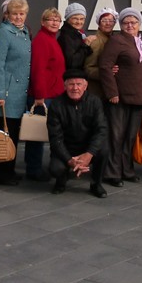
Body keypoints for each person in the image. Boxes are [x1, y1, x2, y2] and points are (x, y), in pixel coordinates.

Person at [99, 8, 142, 183]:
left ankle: (127, 170)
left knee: (130, 136)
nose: (130, 25)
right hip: (120, 98)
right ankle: (112, 173)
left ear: (139, 24)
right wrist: (112, 93)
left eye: (134, 22)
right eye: (126, 22)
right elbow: (105, 66)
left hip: (138, 98)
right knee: (116, 136)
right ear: (121, 25)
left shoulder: (141, 41)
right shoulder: (117, 40)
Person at [0, 0, 32, 186]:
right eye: (15, 13)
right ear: (7, 15)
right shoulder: (4, 33)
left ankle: (9, 171)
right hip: (5, 93)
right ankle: (1, 174)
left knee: (12, 134)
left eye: (21, 14)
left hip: (18, 93)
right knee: (3, 135)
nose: (18, 17)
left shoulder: (23, 32)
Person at [47, 69, 109, 198]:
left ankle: (96, 184)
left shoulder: (95, 102)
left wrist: (89, 154)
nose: (75, 88)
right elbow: (55, 138)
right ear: (64, 86)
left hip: (86, 147)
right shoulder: (56, 104)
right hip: (66, 148)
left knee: (103, 149)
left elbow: (101, 130)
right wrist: (70, 160)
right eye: (71, 84)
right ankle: (61, 181)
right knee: (55, 168)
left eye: (79, 84)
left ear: (85, 86)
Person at [27, 7, 66, 181]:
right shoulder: (42, 41)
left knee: (42, 133)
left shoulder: (52, 39)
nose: (54, 22)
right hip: (43, 97)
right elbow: (38, 70)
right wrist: (39, 96)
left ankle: (36, 167)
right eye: (50, 19)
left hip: (53, 95)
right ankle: (34, 169)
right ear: (43, 22)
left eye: (57, 20)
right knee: (36, 135)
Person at [84, 7, 117, 98]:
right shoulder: (95, 41)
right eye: (104, 20)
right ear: (99, 22)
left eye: (111, 21)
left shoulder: (116, 40)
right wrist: (107, 73)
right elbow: (88, 69)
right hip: (97, 92)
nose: (108, 23)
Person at [57, 2, 93, 73]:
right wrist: (86, 45)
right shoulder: (67, 37)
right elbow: (73, 63)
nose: (79, 22)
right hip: (72, 79)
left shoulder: (78, 34)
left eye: (82, 19)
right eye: (75, 19)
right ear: (68, 19)